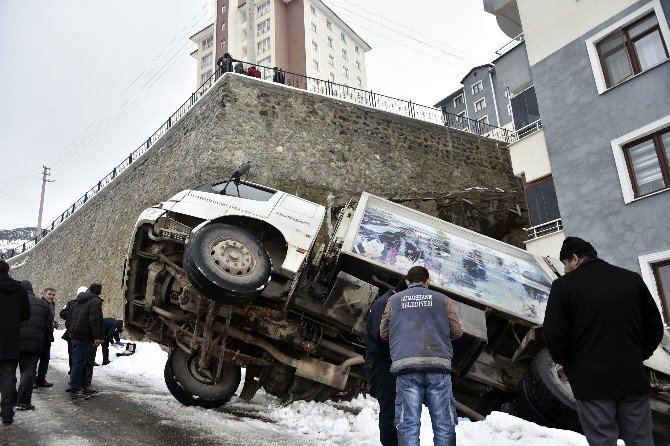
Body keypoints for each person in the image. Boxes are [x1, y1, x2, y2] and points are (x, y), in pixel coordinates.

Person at [544, 237, 664, 446]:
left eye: (565, 264)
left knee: (602, 441)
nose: (564, 270)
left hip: (591, 384)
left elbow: (554, 335)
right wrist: (637, 356)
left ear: (575, 258)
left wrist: (572, 366)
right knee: (641, 440)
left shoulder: (563, 287)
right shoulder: (631, 279)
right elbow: (655, 329)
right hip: (632, 378)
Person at [380, 266, 463, 446]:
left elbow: (384, 333)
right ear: (428, 282)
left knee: (408, 425)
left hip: (406, 368)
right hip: (438, 368)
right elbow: (457, 332)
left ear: (408, 282)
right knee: (443, 424)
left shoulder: (393, 300)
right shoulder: (443, 300)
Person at [364, 278, 407, 446]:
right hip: (382, 364)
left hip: (388, 364)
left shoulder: (394, 303)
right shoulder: (386, 304)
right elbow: (381, 337)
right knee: (390, 412)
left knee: (395, 411)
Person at [0, 260, 31, 424]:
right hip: (11, 339)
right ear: (8, 271)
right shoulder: (19, 289)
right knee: (7, 377)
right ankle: (6, 413)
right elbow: (26, 314)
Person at [16, 281, 53, 410]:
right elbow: (48, 328)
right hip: (34, 343)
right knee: (28, 371)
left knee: (8, 371)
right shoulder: (43, 305)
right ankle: (23, 402)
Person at [66, 283, 104, 399]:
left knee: (80, 362)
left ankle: (82, 386)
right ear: (99, 292)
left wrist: (72, 331)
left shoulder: (80, 300)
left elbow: (70, 317)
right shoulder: (95, 302)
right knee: (80, 363)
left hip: (75, 334)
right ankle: (75, 388)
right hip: (83, 335)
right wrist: (97, 336)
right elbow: (94, 319)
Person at [61, 286, 87, 376]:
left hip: (75, 332)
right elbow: (63, 314)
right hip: (76, 333)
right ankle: (74, 373)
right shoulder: (72, 303)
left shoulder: (87, 304)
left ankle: (75, 373)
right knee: (76, 355)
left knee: (75, 355)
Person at [35, 287, 58, 387]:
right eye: (49, 294)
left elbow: (49, 318)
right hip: (39, 334)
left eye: (53, 295)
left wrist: (53, 323)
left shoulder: (52, 305)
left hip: (48, 335)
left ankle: (41, 378)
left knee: (45, 358)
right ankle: (32, 380)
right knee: (35, 358)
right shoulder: (39, 303)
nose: (51, 296)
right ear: (44, 294)